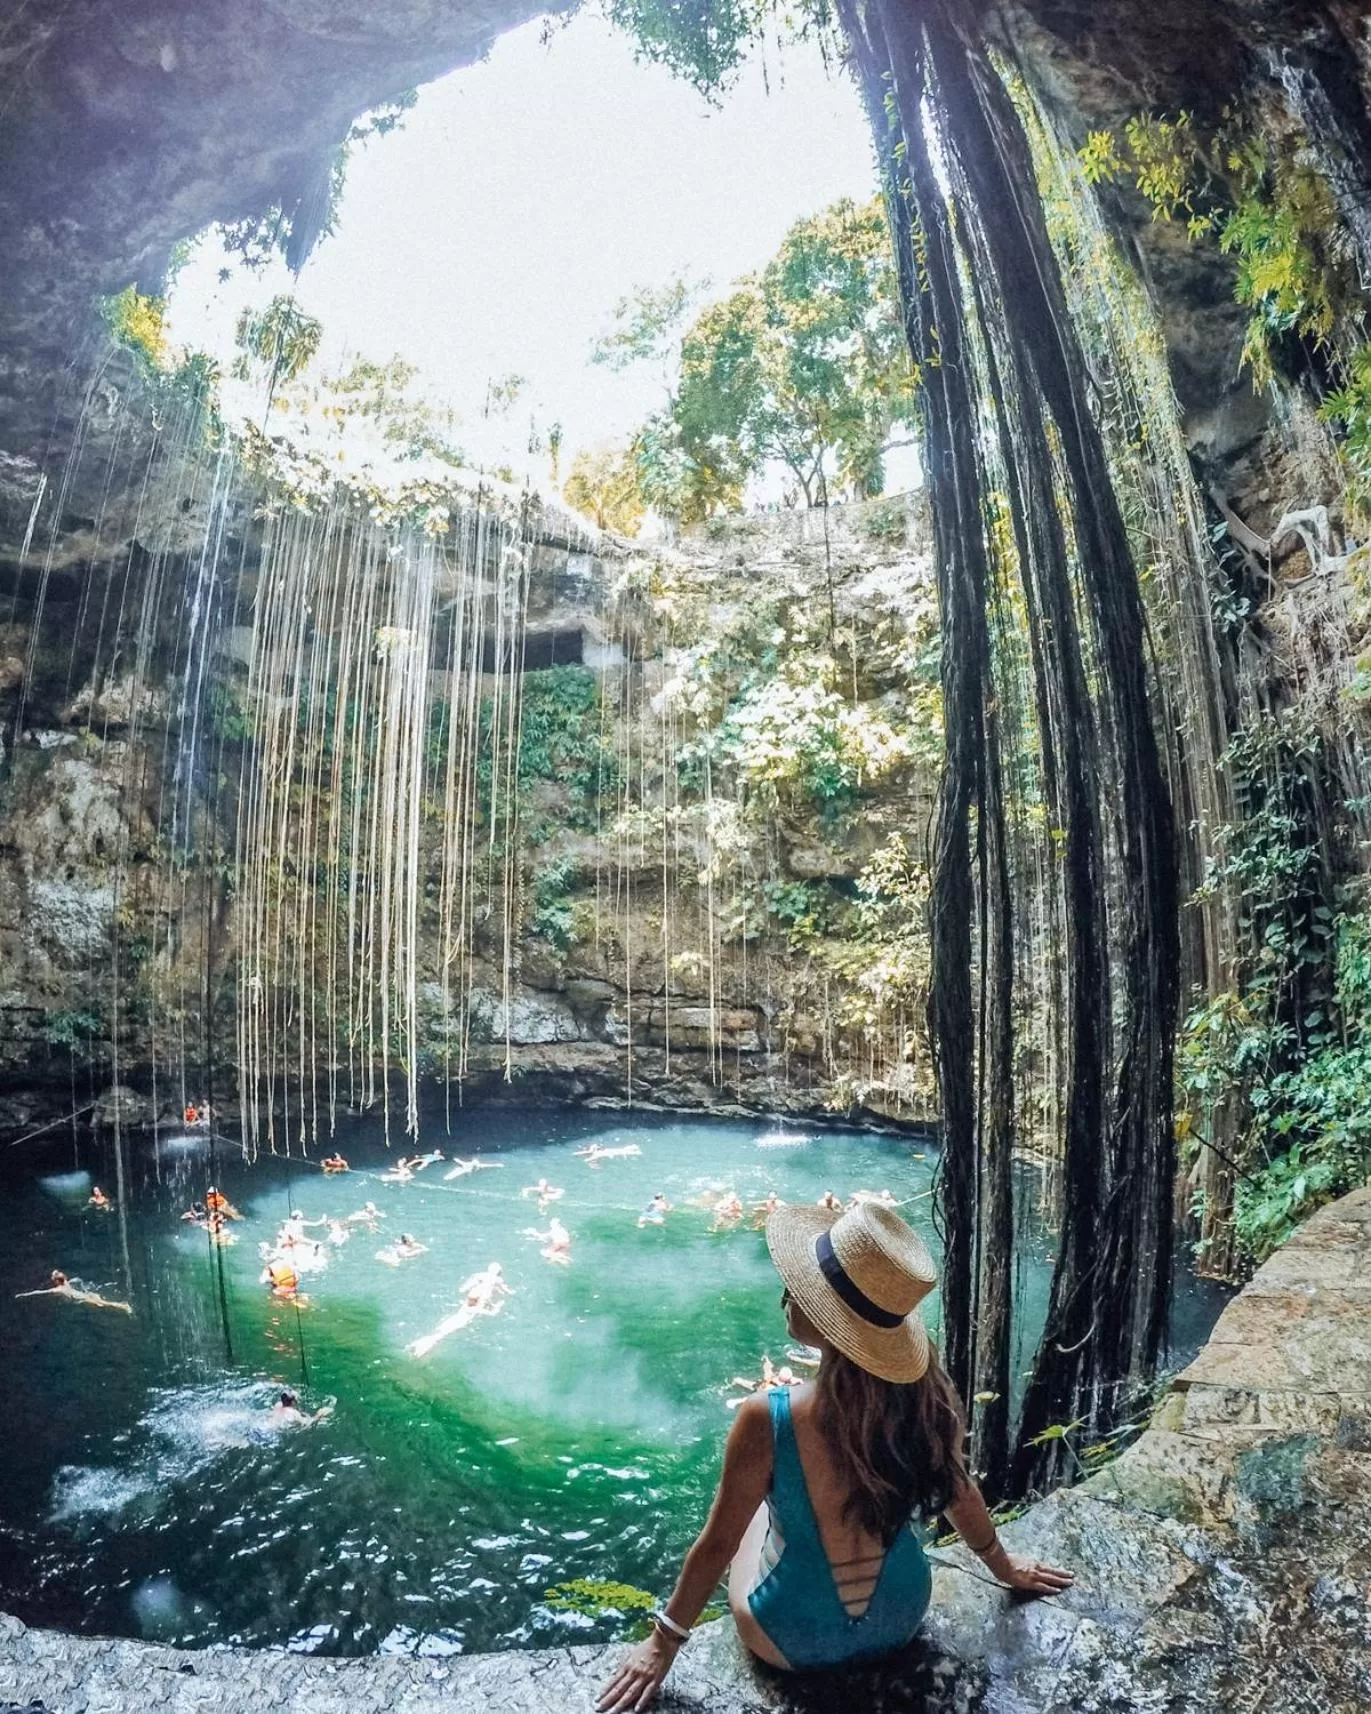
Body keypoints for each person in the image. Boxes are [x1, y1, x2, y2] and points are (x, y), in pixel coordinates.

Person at [595, 1201, 1073, 1711]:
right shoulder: (926, 1401)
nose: (786, 1295)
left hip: (792, 1639)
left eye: (803, 1291)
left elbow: (716, 1546)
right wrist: (1004, 1567)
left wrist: (663, 1642)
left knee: (752, 1513)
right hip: (899, 1618)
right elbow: (960, 1492)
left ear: (832, 1324)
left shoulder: (768, 1416)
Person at [407, 1262, 513, 1357]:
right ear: (499, 1273)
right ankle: (421, 1350)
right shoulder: (497, 1280)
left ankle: (417, 1344)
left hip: (460, 1314)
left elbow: (462, 1289)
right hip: (464, 1318)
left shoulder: (479, 1276)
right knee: (441, 1335)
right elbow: (506, 1293)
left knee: (439, 1332)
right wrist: (499, 1305)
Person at [16, 1270, 133, 1314]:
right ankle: (123, 1306)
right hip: (86, 1294)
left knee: (105, 1304)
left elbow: (39, 1292)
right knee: (103, 1303)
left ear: (56, 1281)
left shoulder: (59, 1289)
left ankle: (124, 1306)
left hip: (85, 1298)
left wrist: (24, 1294)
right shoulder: (68, 1283)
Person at [268, 1389, 333, 1428]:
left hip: (265, 1426)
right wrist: (319, 1414)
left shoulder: (278, 1404)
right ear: (293, 1402)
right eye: (296, 1399)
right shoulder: (293, 1412)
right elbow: (307, 1423)